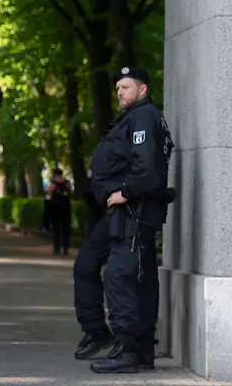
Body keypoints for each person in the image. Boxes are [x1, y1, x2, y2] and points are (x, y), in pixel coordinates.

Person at [72, 66, 174, 374]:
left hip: (134, 210)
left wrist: (126, 192)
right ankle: (99, 332)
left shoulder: (144, 117)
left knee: (121, 275)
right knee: (88, 264)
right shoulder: (132, 118)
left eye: (126, 87)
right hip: (119, 212)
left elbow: (148, 169)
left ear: (143, 89)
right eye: (117, 88)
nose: (119, 92)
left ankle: (130, 350)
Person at [48, 169, 73, 255]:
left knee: (62, 229)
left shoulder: (64, 184)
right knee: (58, 229)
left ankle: (62, 248)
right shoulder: (57, 184)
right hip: (58, 209)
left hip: (62, 209)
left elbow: (50, 195)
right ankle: (59, 247)